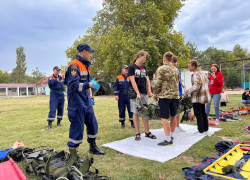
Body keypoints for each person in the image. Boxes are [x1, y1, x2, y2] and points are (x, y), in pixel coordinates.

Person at [64, 43, 105, 155]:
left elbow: (87, 83)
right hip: (76, 102)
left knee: (93, 124)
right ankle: (73, 154)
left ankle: (93, 147)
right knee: (77, 127)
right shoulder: (74, 66)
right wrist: (90, 85)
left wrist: (90, 96)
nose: (91, 55)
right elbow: (73, 86)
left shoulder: (86, 66)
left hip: (86, 100)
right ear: (84, 52)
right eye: (90, 52)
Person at [128, 50, 156, 141]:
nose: (145, 59)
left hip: (144, 93)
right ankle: (137, 133)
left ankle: (147, 132)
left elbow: (148, 80)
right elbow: (132, 81)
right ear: (140, 56)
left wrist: (149, 91)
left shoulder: (144, 67)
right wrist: (137, 93)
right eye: (144, 57)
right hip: (135, 94)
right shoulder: (132, 67)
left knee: (145, 112)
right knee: (136, 113)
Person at [153, 52, 179, 146]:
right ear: (172, 60)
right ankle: (171, 135)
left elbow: (156, 84)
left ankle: (168, 139)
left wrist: (155, 95)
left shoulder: (161, 69)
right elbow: (177, 82)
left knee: (164, 117)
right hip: (175, 96)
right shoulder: (176, 70)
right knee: (173, 116)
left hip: (164, 96)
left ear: (164, 59)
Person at [184, 60, 211, 135]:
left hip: (197, 97)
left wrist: (187, 91)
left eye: (189, 66)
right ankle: (206, 129)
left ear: (193, 66)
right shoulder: (202, 73)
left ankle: (201, 130)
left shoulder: (195, 75)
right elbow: (208, 83)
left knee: (198, 113)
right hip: (203, 96)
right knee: (203, 113)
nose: (188, 68)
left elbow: (196, 87)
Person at [171, 55, 186, 133]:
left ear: (177, 63)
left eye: (175, 62)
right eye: (172, 62)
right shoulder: (169, 70)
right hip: (172, 93)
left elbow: (179, 79)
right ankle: (172, 126)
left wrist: (182, 84)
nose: (173, 64)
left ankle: (177, 125)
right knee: (173, 110)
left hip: (179, 92)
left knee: (179, 109)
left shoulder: (178, 70)